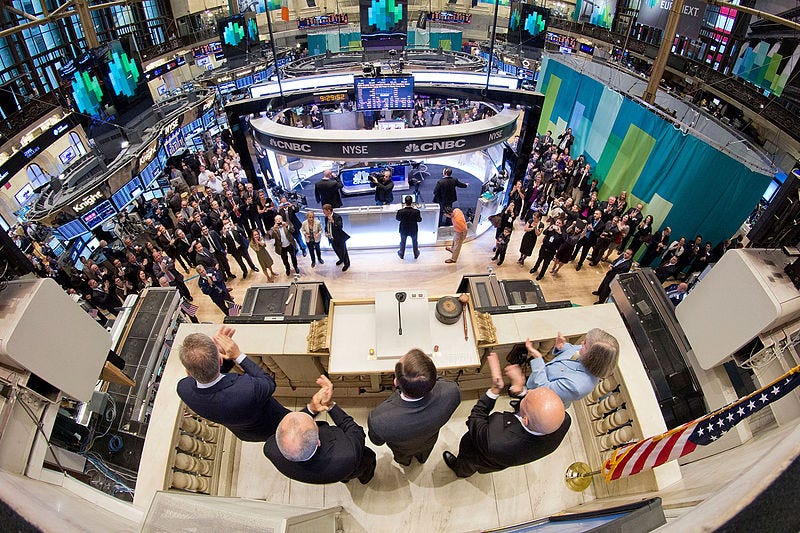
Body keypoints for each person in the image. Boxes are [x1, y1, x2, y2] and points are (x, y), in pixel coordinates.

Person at [442, 352, 570, 478]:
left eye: (527, 398)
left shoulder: (495, 441)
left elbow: (475, 419)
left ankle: (461, 471)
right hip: (506, 457)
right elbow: (536, 408)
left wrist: (495, 390)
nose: (528, 391)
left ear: (525, 420)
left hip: (481, 455)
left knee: (468, 464)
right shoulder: (563, 419)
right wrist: (521, 391)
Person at [177, 326, 290, 442]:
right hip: (274, 423)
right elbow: (268, 382)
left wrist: (219, 355)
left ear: (188, 371)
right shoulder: (247, 390)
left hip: (246, 434)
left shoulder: (183, 389)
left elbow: (210, 376)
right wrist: (238, 355)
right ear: (220, 361)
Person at [263, 375, 377, 484]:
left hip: (330, 473)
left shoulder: (271, 448)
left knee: (344, 476)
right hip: (347, 467)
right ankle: (365, 478)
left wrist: (312, 408)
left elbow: (296, 425)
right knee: (365, 463)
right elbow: (354, 430)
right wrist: (330, 405)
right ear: (318, 441)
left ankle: (345, 479)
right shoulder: (348, 453)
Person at [368, 349, 460, 466]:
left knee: (403, 460)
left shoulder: (378, 419)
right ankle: (422, 460)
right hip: (429, 441)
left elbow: (377, 442)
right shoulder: (452, 392)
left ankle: (406, 464)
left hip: (402, 449)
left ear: (396, 382)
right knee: (424, 455)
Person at [508, 330, 619, 409]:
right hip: (539, 379)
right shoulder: (587, 354)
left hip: (542, 400)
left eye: (585, 344)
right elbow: (572, 351)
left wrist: (538, 358)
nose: (581, 344)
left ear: (592, 356)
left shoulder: (578, 386)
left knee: (528, 407)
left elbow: (545, 389)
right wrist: (561, 347)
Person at [322, 204, 350, 271]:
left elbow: (340, 227)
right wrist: (326, 232)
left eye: (324, 211)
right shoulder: (326, 217)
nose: (323, 213)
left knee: (343, 252)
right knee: (337, 251)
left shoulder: (337, 217)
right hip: (332, 238)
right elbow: (326, 226)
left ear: (329, 211)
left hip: (339, 238)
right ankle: (341, 259)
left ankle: (347, 263)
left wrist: (333, 221)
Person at [396, 195, 422, 259]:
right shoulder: (416, 211)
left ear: (405, 202)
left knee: (403, 242)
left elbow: (398, 218)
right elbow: (419, 220)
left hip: (403, 229)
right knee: (415, 241)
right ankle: (416, 253)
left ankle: (401, 253)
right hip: (413, 229)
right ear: (412, 202)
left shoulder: (400, 211)